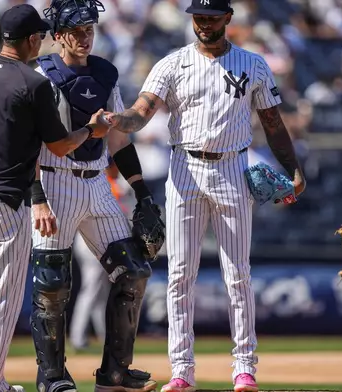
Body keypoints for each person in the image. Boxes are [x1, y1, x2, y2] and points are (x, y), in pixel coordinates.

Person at [103, 0, 306, 390]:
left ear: (228, 18)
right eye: (198, 17)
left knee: (238, 274)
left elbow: (274, 124)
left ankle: (244, 367)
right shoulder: (172, 63)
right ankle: (182, 370)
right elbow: (141, 113)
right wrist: (116, 120)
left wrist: (293, 168)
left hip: (233, 165)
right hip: (185, 166)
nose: (204, 24)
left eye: (211, 17)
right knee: (180, 274)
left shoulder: (253, 64)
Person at [0, 4, 110, 392]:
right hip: (5, 200)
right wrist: (92, 130)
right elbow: (62, 146)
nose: (43, 42)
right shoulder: (33, 83)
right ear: (32, 40)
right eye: (41, 36)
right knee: (3, 300)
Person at [30, 0, 160, 391]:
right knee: (52, 283)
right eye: (76, 30)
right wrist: (36, 196)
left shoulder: (105, 73)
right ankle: (52, 376)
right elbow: (28, 143)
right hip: (54, 181)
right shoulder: (41, 74)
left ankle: (115, 372)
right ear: (58, 36)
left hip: (97, 183)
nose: (85, 36)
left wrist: (143, 192)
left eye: (90, 28)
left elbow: (118, 138)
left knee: (133, 271)